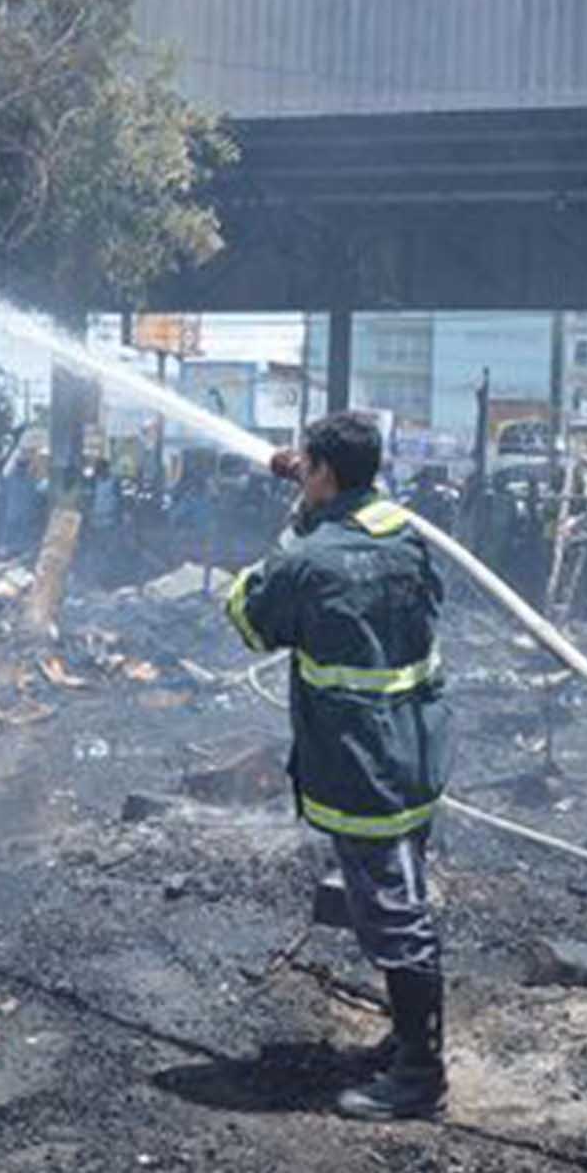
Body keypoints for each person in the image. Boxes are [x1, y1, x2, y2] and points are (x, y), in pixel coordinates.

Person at [225, 411, 454, 1120]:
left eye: (309, 462)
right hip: (417, 747)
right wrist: (319, 505)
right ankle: (406, 1043)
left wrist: (297, 522)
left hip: (361, 762)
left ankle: (419, 1076)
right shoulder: (406, 536)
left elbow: (250, 619)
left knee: (392, 911)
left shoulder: (309, 556)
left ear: (322, 471)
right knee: (401, 893)